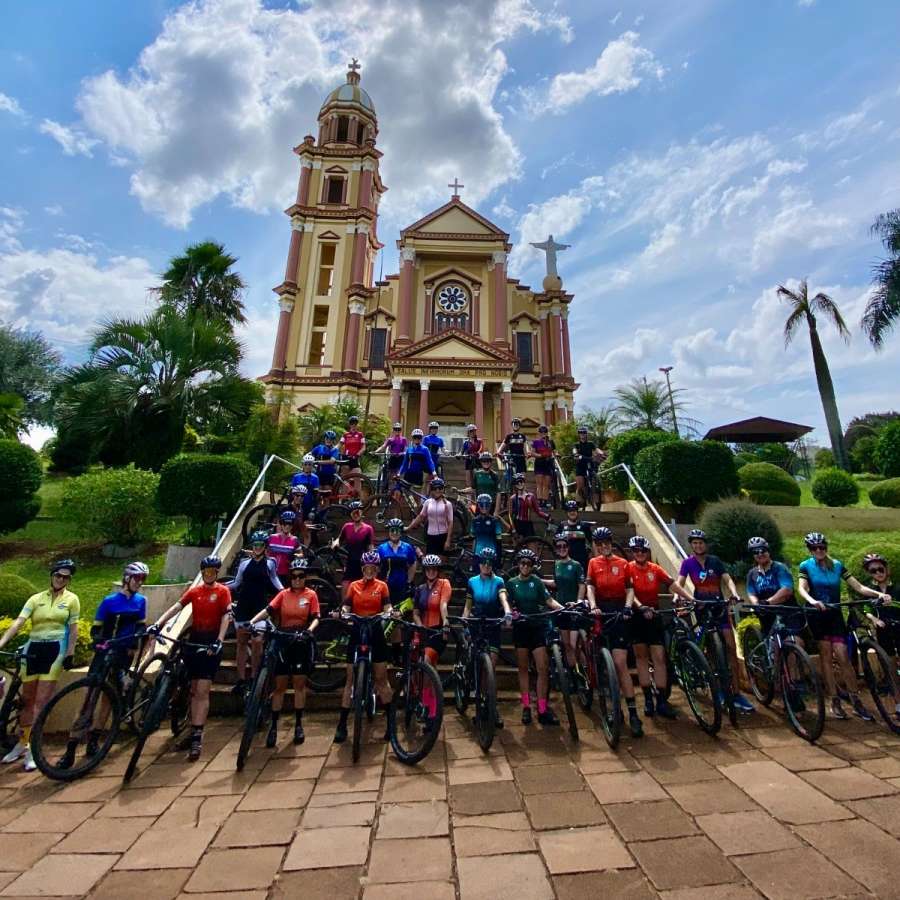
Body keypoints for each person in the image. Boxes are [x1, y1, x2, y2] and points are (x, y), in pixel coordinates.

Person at [796, 532, 886, 720]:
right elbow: (802, 588)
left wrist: (877, 595)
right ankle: (834, 699)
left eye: (822, 547)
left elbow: (858, 587)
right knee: (826, 657)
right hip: (817, 615)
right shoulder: (806, 566)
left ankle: (855, 699)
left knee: (844, 656)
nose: (819, 550)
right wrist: (812, 601)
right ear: (810, 550)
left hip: (835, 614)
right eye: (814, 548)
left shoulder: (837, 565)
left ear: (826, 547)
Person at [0, 559, 80, 772]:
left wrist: (70, 654)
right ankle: (22, 743)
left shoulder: (72, 600)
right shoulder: (36, 598)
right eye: (58, 575)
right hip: (33, 648)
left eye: (65, 577)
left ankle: (34, 749)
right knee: (28, 701)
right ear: (52, 575)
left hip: (54, 650)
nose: (61, 579)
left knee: (41, 702)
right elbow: (19, 622)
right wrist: (2, 642)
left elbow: (73, 629)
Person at [152, 556, 232, 761]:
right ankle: (187, 724)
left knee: (202, 690)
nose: (209, 575)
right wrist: (158, 623)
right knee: (191, 687)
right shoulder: (195, 591)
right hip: (194, 638)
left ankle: (197, 735)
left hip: (210, 642)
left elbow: (226, 615)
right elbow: (177, 607)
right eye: (206, 572)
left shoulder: (223, 591)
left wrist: (220, 640)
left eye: (213, 572)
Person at [675, 529, 755, 715]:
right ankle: (717, 690)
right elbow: (679, 582)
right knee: (711, 650)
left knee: (730, 648)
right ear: (691, 545)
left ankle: (736, 693)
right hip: (702, 607)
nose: (698, 546)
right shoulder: (688, 563)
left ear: (706, 544)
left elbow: (728, 580)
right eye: (694, 543)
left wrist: (734, 594)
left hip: (719, 607)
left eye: (701, 542)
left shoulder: (715, 562)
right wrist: (676, 597)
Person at [250, 557, 319, 746]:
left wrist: (309, 631)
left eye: (301, 576)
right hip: (283, 637)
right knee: (279, 685)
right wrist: (253, 622)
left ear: (305, 578)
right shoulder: (283, 594)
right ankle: (273, 726)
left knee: (298, 684)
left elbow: (315, 617)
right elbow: (268, 610)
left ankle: (298, 724)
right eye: (294, 576)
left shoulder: (311, 595)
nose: (297, 580)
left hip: (300, 639)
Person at [625, 536, 691, 720]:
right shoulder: (627, 568)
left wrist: (691, 598)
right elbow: (628, 591)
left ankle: (662, 700)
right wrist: (640, 607)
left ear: (647, 552)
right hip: (637, 616)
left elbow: (673, 584)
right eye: (636, 551)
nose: (639, 554)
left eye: (643, 551)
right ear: (632, 552)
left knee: (659, 657)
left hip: (654, 615)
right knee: (641, 658)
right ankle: (647, 699)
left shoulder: (655, 568)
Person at [586, 528, 643, 737]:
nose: (603, 547)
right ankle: (614, 709)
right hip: (602, 612)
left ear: (612, 543)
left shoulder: (623, 564)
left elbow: (630, 589)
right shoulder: (593, 563)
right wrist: (593, 606)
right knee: (605, 664)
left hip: (620, 612)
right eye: (599, 544)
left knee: (620, 664)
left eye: (606, 542)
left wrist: (629, 606)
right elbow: (590, 587)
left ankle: (633, 713)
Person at [334, 550, 394, 744]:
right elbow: (346, 606)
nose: (370, 571)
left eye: (373, 568)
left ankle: (390, 725)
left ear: (377, 569)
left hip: (375, 631)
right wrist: (343, 613)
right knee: (350, 679)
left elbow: (387, 606)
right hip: (358, 630)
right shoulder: (354, 586)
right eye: (367, 568)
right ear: (362, 569)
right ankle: (342, 725)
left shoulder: (382, 586)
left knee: (381, 679)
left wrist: (389, 613)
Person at [507, 548, 563, 725]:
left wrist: (564, 609)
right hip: (521, 628)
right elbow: (507, 603)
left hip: (537, 626)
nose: (525, 566)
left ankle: (542, 707)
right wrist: (511, 613)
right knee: (523, 668)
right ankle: (525, 706)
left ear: (532, 566)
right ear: (518, 564)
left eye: (529, 564)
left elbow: (549, 601)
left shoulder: (537, 582)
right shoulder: (511, 583)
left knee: (542, 667)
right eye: (522, 563)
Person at [463, 548, 511, 728]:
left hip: (493, 625)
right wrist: (464, 621)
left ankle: (492, 707)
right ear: (478, 563)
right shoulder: (472, 581)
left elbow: (503, 598)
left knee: (491, 666)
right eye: (483, 561)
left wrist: (507, 612)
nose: (486, 565)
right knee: (479, 668)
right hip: (476, 625)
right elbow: (468, 606)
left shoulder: (499, 581)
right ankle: (480, 704)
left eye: (490, 562)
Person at [231, 531, 283, 695]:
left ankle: (254, 677)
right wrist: (220, 586)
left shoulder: (270, 563)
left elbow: (275, 581)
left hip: (260, 607)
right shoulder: (244, 563)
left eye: (260, 545)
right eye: (255, 545)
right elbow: (236, 582)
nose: (257, 548)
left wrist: (286, 593)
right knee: (241, 643)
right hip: (243, 606)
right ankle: (240, 679)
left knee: (257, 642)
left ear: (265, 546)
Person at [413, 555, 451, 727]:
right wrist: (420, 626)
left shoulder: (444, 584)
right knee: (428, 671)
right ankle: (431, 708)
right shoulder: (420, 589)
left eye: (434, 569)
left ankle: (429, 708)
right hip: (423, 632)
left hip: (438, 632)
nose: (431, 571)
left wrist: (447, 622)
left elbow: (443, 604)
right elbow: (415, 612)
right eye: (428, 569)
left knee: (427, 664)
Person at [860, 552, 900, 719]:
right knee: (890, 667)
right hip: (884, 632)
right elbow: (865, 610)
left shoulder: (897, 588)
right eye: (873, 571)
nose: (878, 573)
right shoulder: (870, 592)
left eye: (880, 569)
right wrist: (874, 619)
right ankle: (898, 703)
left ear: (887, 569)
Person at [745, 536, 803, 640]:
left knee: (794, 641)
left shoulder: (780, 568)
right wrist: (757, 604)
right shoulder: (752, 573)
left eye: (763, 550)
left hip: (788, 611)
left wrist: (768, 602)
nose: (760, 554)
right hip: (767, 615)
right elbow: (751, 592)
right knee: (773, 645)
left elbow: (786, 590)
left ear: (768, 551)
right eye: (756, 552)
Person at [545, 535, 585, 670]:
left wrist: (579, 601)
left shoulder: (576, 565)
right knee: (566, 644)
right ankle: (573, 673)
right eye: (559, 546)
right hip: (560, 608)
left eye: (564, 546)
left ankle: (585, 672)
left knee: (574, 645)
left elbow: (581, 584)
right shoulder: (556, 565)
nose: (562, 549)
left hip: (574, 608)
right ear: (556, 549)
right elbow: (555, 583)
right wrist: (541, 581)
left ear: (568, 548)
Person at [333, 501, 375, 601]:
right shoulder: (347, 526)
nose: (356, 515)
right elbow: (339, 538)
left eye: (358, 512)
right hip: (350, 560)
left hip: (362, 562)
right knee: (345, 585)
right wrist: (336, 542)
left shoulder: (368, 528)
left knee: (362, 587)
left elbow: (370, 546)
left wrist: (372, 560)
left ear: (362, 512)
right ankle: (343, 609)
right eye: (353, 513)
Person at [377, 519, 418, 607]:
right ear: (389, 531)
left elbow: (413, 563)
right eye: (392, 530)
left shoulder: (407, 547)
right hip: (386, 585)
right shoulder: (382, 548)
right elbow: (376, 566)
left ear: (401, 532)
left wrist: (409, 580)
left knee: (399, 612)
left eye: (397, 530)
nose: (394, 533)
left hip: (402, 584)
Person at [409, 477, 453, 555]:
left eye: (440, 488)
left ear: (443, 489)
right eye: (435, 488)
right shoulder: (428, 502)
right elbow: (421, 517)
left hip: (443, 535)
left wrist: (448, 540)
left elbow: (450, 522)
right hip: (430, 535)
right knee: (431, 562)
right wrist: (409, 527)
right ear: (431, 490)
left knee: (442, 562)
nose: (437, 490)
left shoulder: (447, 504)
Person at [508, 472, 550, 538]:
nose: (519, 484)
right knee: (518, 546)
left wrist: (547, 516)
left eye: (521, 481)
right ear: (515, 485)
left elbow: (538, 511)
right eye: (517, 482)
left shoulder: (531, 496)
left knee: (532, 545)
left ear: (524, 482)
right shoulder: (512, 498)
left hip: (528, 523)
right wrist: (513, 529)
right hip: (517, 524)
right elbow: (510, 515)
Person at [553, 500, 593, 570]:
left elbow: (592, 542)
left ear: (577, 512)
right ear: (566, 512)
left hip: (582, 561)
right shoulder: (562, 525)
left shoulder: (584, 526)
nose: (572, 512)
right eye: (570, 510)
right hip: (566, 560)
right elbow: (555, 542)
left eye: (574, 510)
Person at [572, 426, 604, 510]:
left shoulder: (590, 443)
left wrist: (601, 453)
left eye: (584, 433)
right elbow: (574, 451)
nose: (582, 434)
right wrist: (575, 454)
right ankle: (579, 503)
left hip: (589, 463)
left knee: (594, 484)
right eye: (580, 433)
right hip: (580, 465)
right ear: (579, 435)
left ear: (586, 434)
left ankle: (597, 503)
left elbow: (597, 449)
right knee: (580, 485)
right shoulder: (576, 444)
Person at [470, 494, 504, 571]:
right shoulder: (474, 521)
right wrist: (472, 557)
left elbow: (499, 542)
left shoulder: (495, 521)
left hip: (492, 555)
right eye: (482, 505)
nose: (484, 507)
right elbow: (473, 539)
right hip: (478, 555)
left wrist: (499, 558)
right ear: (478, 505)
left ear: (490, 506)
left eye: (487, 505)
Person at [268, 512, 301, 583]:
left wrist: (294, 556)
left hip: (284, 574)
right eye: (285, 523)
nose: (287, 526)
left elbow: (301, 554)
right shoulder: (271, 537)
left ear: (293, 525)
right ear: (281, 524)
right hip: (269, 572)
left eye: (290, 524)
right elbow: (264, 552)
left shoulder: (295, 540)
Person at [530, 425, 556, 507]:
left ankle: (545, 501)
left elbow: (554, 452)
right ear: (539, 433)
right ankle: (540, 501)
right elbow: (532, 453)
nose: (543, 434)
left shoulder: (551, 442)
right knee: (539, 483)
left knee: (546, 484)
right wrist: (541, 455)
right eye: (541, 432)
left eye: (545, 432)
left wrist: (556, 455)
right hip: (539, 463)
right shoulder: (536, 442)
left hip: (548, 463)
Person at [339, 415, 366, 491]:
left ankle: (357, 498)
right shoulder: (345, 435)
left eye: (355, 423)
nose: (353, 425)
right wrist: (332, 450)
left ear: (357, 424)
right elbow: (339, 444)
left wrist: (358, 454)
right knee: (345, 479)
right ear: (349, 424)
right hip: (346, 458)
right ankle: (344, 498)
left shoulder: (360, 435)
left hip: (355, 458)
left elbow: (363, 447)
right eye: (352, 423)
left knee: (358, 477)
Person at [461, 424, 484, 489]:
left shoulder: (479, 441)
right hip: (468, 460)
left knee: (478, 479)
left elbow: (481, 449)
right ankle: (469, 494)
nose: (473, 433)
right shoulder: (466, 442)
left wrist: (477, 453)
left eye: (474, 431)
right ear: (468, 432)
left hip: (477, 460)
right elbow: (462, 451)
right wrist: (460, 455)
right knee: (468, 480)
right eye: (471, 431)